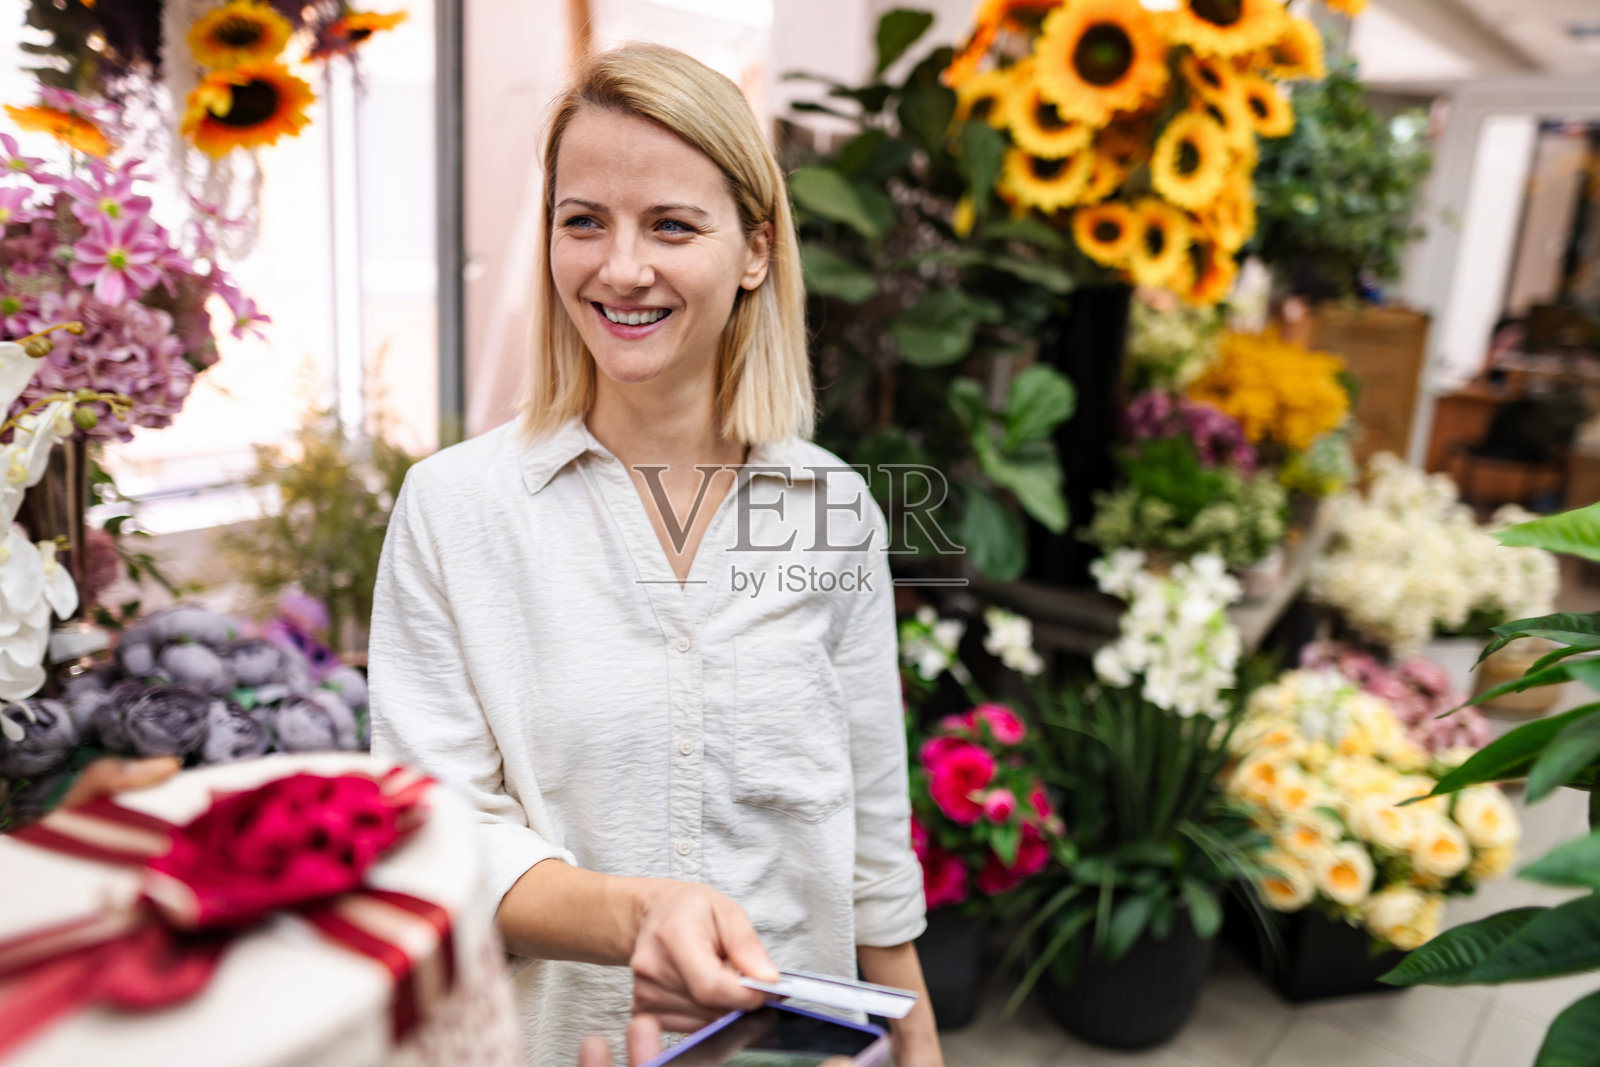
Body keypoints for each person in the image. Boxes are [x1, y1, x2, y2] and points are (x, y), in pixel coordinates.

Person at [368, 43, 941, 1067]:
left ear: (755, 250)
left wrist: (917, 1041)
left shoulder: (832, 508)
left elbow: (869, 830)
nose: (620, 267)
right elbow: (439, 835)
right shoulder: (455, 511)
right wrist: (644, 911)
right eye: (583, 220)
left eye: (671, 225)